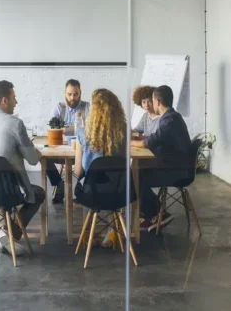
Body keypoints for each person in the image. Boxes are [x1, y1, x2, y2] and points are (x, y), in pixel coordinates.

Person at [0, 80, 62, 256]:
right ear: (4, 100)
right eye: (14, 98)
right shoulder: (15, 124)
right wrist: (36, 151)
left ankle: (4, 232)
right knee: (38, 193)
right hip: (8, 191)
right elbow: (33, 159)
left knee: (3, 192)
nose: (16, 102)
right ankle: (7, 235)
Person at [131, 85, 191, 230]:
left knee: (135, 176)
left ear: (157, 102)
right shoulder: (171, 116)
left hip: (177, 171)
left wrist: (129, 143)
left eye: (151, 100)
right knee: (137, 172)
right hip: (172, 165)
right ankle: (151, 215)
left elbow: (150, 142)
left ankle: (159, 213)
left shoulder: (169, 120)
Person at [74, 88, 126, 247]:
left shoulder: (84, 133)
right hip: (119, 192)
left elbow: (79, 171)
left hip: (92, 194)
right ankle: (112, 233)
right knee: (113, 179)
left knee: (86, 181)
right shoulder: (123, 131)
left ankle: (89, 233)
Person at [50, 79, 90, 203]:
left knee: (91, 158)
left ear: (80, 93)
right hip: (62, 148)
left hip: (81, 150)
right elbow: (51, 127)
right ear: (65, 93)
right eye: (69, 94)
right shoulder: (59, 108)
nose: (72, 98)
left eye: (75, 94)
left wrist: (66, 129)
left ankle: (79, 186)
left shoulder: (87, 107)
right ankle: (58, 183)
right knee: (45, 160)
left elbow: (92, 129)